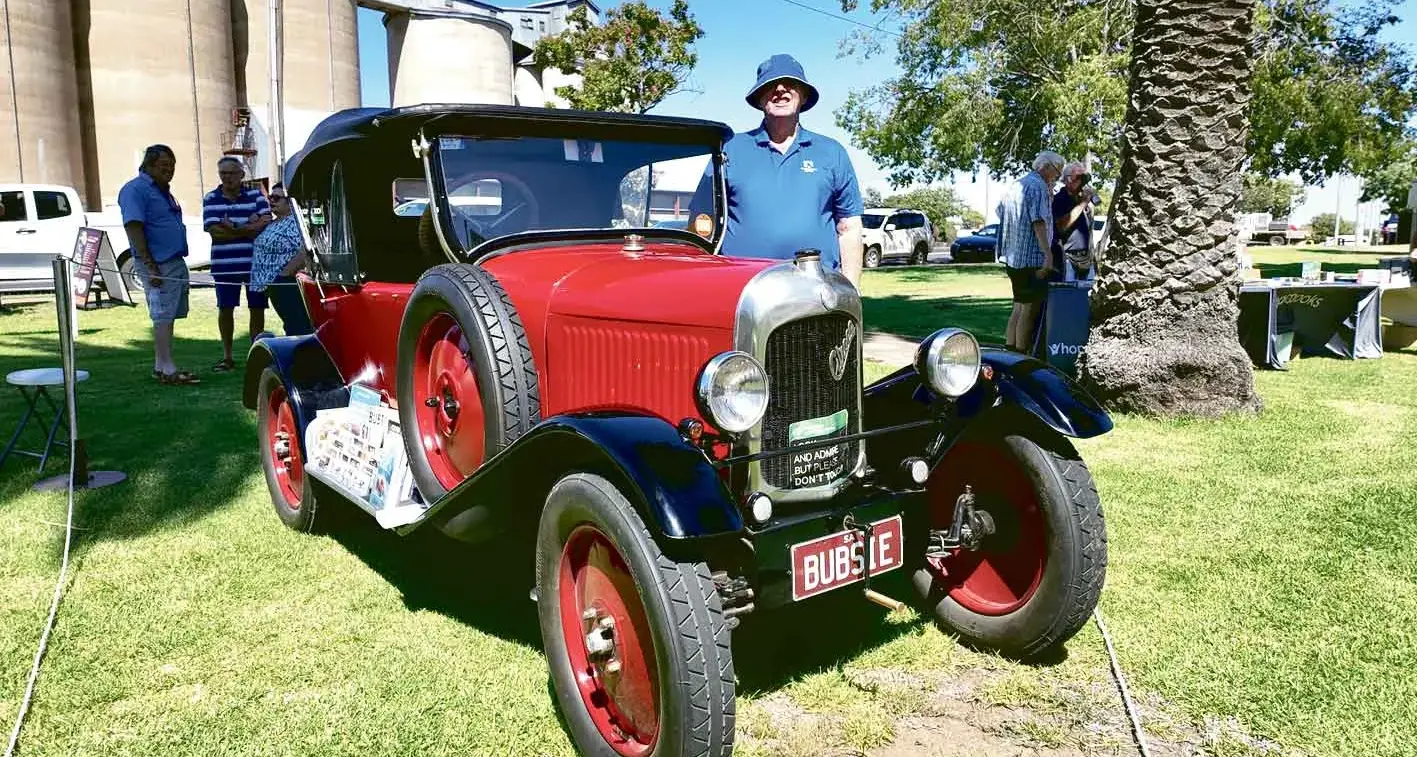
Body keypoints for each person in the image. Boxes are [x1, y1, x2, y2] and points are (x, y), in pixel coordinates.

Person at [688, 53, 864, 286]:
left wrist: (851, 288)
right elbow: (700, 225)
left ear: (803, 96)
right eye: (770, 85)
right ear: (759, 98)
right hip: (741, 288)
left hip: (816, 287)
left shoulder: (832, 152)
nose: (780, 89)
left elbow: (849, 226)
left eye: (790, 84)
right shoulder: (727, 150)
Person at [118, 144, 200, 385]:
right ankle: (167, 368)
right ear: (149, 165)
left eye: (172, 166)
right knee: (162, 314)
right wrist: (150, 265)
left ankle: (160, 364)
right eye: (164, 166)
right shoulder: (136, 189)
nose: (169, 170)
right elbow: (134, 226)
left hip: (172, 261)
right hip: (158, 264)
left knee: (168, 314)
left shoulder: (161, 190)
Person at [202, 157, 272, 372]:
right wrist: (249, 226)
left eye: (232, 173)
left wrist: (230, 225)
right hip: (225, 264)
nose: (227, 178)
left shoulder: (255, 195)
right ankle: (227, 356)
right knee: (225, 309)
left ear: (242, 174)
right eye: (223, 174)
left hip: (255, 265)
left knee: (257, 308)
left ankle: (255, 353)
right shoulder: (211, 198)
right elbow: (215, 232)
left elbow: (266, 224)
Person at [996, 150, 1064, 353]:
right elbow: (1039, 222)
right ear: (1047, 167)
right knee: (1029, 310)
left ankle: (1010, 351)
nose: (1057, 177)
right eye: (1057, 172)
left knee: (1018, 306)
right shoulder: (1037, 187)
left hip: (1012, 258)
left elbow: (1000, 212)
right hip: (1032, 259)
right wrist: (1048, 255)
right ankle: (1021, 356)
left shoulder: (1016, 185)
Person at [249, 184, 313, 336]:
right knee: (291, 324)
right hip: (273, 285)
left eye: (277, 198)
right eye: (270, 197)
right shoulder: (274, 222)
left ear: (290, 202)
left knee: (297, 325)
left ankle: (299, 356)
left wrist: (285, 274)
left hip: (286, 284)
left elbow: (306, 249)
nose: (271, 200)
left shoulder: (295, 222)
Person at [1051, 161, 1098, 281]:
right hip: (1067, 258)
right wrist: (1083, 203)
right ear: (1067, 179)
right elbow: (1061, 226)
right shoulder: (1059, 199)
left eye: (1084, 178)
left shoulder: (1080, 199)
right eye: (1078, 178)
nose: (1082, 182)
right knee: (1069, 294)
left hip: (1086, 258)